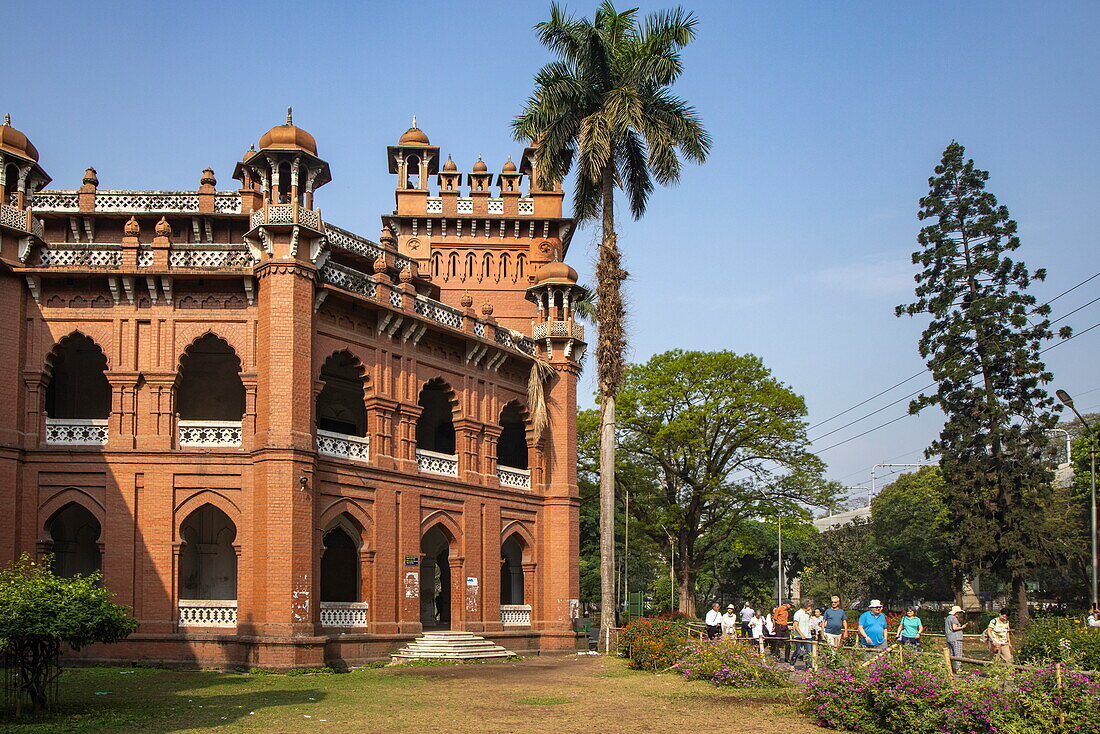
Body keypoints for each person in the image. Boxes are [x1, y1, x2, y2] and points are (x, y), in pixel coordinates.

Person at [791, 600, 815, 668]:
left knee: (808, 651)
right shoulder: (798, 613)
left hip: (808, 635)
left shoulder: (807, 614)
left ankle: (809, 666)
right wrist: (801, 634)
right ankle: (792, 664)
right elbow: (795, 625)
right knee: (798, 651)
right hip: (799, 636)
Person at [945, 605, 968, 673]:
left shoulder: (948, 618)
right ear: (956, 613)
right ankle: (958, 668)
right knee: (958, 653)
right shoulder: (953, 618)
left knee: (952, 653)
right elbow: (954, 628)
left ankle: (951, 667)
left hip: (949, 638)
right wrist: (962, 627)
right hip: (956, 638)